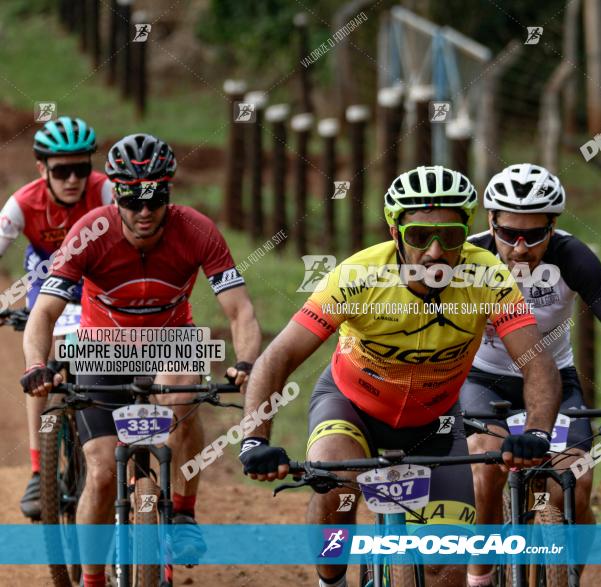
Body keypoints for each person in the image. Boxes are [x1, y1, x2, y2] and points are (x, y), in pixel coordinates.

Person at [239, 165, 563, 587]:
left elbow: (537, 361)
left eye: (448, 238)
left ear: (465, 233)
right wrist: (254, 438)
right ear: (395, 233)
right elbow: (278, 356)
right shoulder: (357, 277)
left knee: (443, 570)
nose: (434, 253)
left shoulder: (487, 275)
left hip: (438, 423)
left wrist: (537, 432)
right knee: (335, 483)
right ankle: (331, 581)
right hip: (352, 406)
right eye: (418, 237)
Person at [20, 133, 262, 587]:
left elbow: (240, 309)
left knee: (185, 389)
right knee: (102, 470)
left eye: (156, 197)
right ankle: (92, 579)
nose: (145, 210)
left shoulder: (197, 230)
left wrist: (246, 361)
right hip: (99, 348)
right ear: (116, 193)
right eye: (132, 198)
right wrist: (37, 363)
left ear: (169, 191)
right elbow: (45, 312)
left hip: (170, 342)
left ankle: (184, 513)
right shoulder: (90, 231)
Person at [460, 163, 601, 587]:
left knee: (575, 483)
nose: (520, 248)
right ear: (490, 222)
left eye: (534, 235)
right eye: (508, 234)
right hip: (483, 380)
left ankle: (567, 573)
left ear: (553, 227)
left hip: (555, 381)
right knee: (486, 470)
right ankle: (479, 576)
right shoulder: (467, 259)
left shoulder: (572, 256)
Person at [0, 116, 113, 520]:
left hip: (94, 276)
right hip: (45, 276)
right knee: (43, 359)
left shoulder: (106, 191)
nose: (72, 180)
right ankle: (37, 468)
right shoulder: (22, 203)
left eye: (81, 168)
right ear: (41, 169)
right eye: (61, 170)